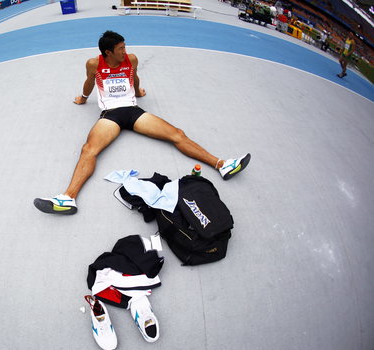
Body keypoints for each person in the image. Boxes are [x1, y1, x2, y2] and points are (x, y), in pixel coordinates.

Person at [34, 31, 251, 215]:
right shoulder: (93, 64)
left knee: (177, 134)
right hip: (110, 115)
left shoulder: (132, 59)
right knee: (88, 149)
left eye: (124, 47)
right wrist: (82, 97)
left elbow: (133, 76)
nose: (124, 51)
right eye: (120, 48)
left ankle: (223, 165)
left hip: (134, 111)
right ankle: (67, 198)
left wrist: (138, 91)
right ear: (108, 52)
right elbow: (90, 82)